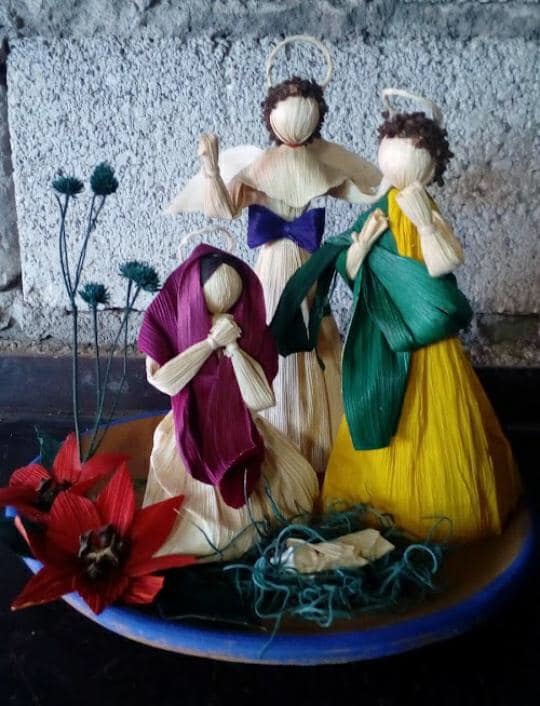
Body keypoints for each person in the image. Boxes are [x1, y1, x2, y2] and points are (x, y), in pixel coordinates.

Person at [271, 89, 522, 542]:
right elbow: (351, 271)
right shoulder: (378, 212)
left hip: (428, 340)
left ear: (431, 164)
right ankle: (378, 505)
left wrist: (425, 223)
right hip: (385, 336)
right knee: (379, 405)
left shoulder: (425, 208)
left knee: (435, 419)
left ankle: (438, 513)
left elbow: (445, 263)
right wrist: (361, 247)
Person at [166, 35, 383, 476]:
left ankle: (320, 443)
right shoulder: (257, 166)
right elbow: (224, 209)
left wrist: (390, 183)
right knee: (262, 332)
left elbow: (358, 187)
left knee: (314, 337)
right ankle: (267, 436)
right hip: (270, 269)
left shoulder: (323, 160)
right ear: (270, 116)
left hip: (306, 266)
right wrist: (211, 169)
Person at [139, 244, 318, 559]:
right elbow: (167, 381)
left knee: (296, 485)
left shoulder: (247, 333)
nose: (219, 312)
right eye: (209, 307)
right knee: (197, 521)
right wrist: (209, 343)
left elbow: (260, 398)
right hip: (190, 430)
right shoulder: (169, 323)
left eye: (230, 303)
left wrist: (234, 348)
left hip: (241, 429)